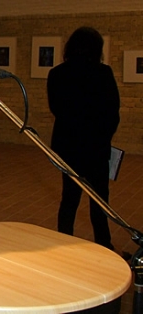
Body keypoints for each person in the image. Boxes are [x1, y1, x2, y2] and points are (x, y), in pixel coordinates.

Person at [47, 26, 120, 250]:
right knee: (99, 200)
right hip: (96, 147)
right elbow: (113, 113)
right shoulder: (103, 73)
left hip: (68, 146)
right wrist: (103, 137)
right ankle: (104, 245)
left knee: (69, 198)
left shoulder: (57, 74)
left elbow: (56, 109)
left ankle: (62, 244)